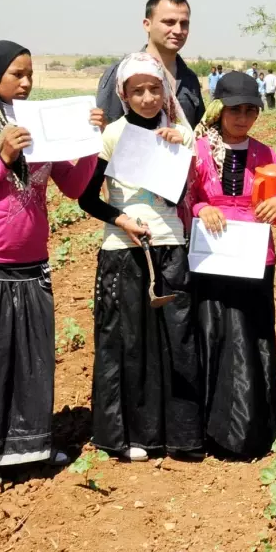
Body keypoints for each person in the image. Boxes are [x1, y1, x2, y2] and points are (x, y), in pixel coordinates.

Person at [0, 40, 101, 487]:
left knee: (31, 363)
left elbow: (72, 186)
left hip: (33, 265)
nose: (26, 82)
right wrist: (3, 156)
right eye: (17, 74)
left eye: (30, 74)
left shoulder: (37, 123)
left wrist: (90, 145)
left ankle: (30, 448)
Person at [76, 52, 200, 462]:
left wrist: (179, 151)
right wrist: (122, 219)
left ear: (165, 91)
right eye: (138, 91)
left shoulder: (180, 132)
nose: (147, 98)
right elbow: (87, 197)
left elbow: (189, 192)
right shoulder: (112, 135)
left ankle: (180, 436)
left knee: (175, 340)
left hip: (171, 244)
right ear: (124, 95)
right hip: (123, 249)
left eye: (154, 89)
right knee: (128, 342)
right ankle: (128, 436)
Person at [188, 71, 276, 458]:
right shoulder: (198, 151)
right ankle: (210, 429)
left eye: (250, 110)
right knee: (212, 333)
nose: (243, 118)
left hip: (254, 257)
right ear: (219, 110)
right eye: (235, 110)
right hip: (211, 255)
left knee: (253, 334)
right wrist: (202, 207)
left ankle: (251, 429)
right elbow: (185, 197)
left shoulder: (267, 155)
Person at [97, 0, 205, 127]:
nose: (178, 30)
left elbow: (199, 132)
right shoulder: (123, 72)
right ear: (147, 24)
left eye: (184, 23)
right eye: (169, 22)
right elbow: (104, 129)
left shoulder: (190, 79)